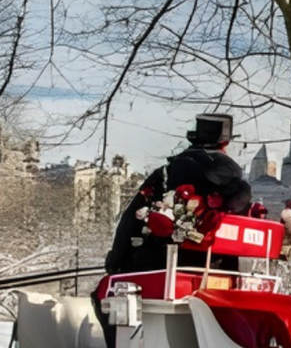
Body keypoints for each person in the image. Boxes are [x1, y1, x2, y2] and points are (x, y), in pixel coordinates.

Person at [105, 113, 253, 275]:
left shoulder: (165, 174)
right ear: (224, 143)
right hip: (216, 271)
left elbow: (130, 219)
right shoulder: (236, 186)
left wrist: (116, 261)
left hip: (158, 266)